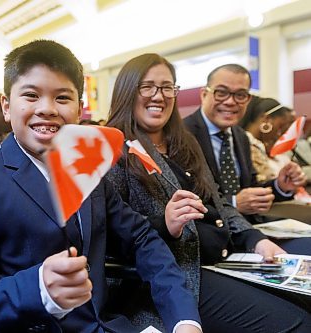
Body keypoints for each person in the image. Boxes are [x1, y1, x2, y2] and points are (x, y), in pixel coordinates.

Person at [0, 40, 202, 333]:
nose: (47, 109)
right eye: (31, 95)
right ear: (6, 106)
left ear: (79, 107)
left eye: (62, 98)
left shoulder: (88, 169)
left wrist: (184, 319)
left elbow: (141, 239)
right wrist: (38, 290)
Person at [106, 53, 311, 332]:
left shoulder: (184, 142)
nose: (159, 95)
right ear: (128, 90)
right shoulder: (113, 149)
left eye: (167, 87)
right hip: (175, 275)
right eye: (147, 86)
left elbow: (218, 201)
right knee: (296, 323)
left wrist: (254, 238)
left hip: (221, 256)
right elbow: (107, 237)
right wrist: (164, 224)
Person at [183, 64, 307, 225]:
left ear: (248, 99)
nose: (230, 101)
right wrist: (233, 203)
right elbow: (181, 195)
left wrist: (280, 185)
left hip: (248, 226)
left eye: (240, 95)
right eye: (221, 93)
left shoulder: (240, 135)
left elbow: (251, 187)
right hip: (208, 231)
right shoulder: (183, 134)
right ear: (204, 94)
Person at [240, 96, 296, 182]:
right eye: (280, 126)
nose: (279, 133)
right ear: (266, 119)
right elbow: (267, 179)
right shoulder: (246, 145)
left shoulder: (257, 145)